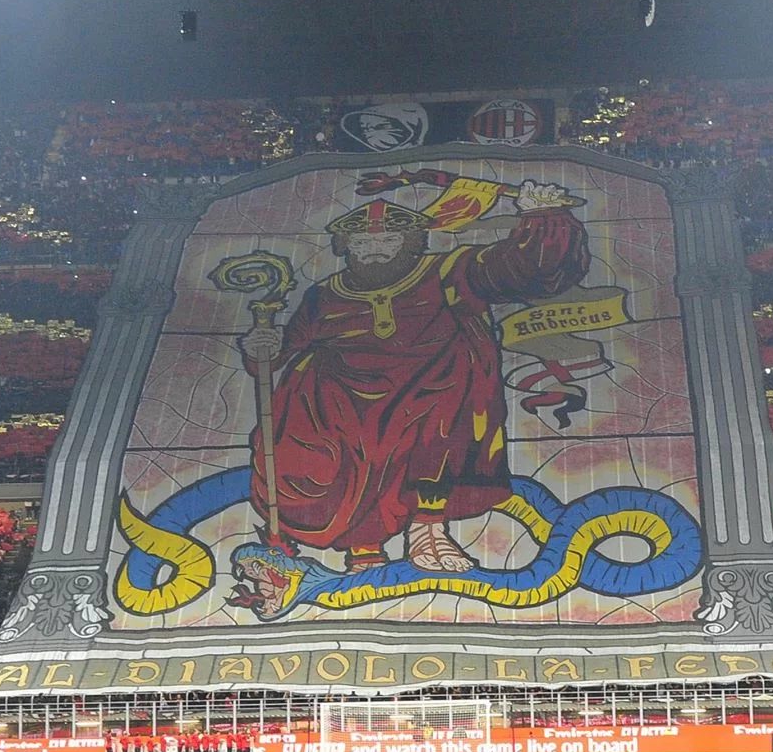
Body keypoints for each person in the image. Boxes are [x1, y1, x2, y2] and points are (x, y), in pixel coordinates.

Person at [236, 180, 587, 575]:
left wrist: (542, 218)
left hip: (431, 390)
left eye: (388, 240)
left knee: (440, 413)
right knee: (324, 456)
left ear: (411, 243)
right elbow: (281, 352)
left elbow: (517, 270)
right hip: (343, 402)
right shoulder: (325, 294)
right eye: (362, 243)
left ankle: (428, 530)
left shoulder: (449, 272)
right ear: (346, 247)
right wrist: (261, 347)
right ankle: (363, 551)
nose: (374, 249)